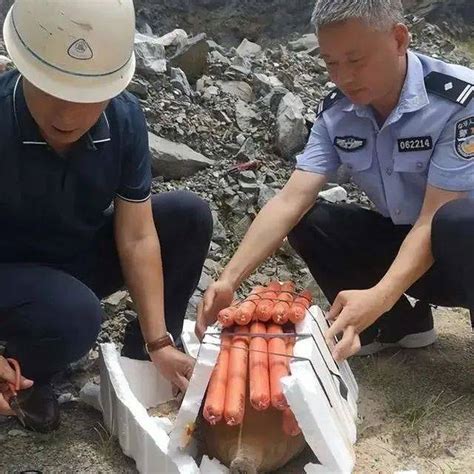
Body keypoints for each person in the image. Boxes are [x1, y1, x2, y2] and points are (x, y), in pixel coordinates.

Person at [198, 0, 473, 363]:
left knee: (455, 222)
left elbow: (431, 221)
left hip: (462, 250)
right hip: (414, 248)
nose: (344, 77)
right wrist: (229, 278)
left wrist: (379, 295)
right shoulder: (337, 113)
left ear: (399, 39)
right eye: (331, 63)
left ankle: (381, 308)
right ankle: (397, 326)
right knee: (310, 219)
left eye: (356, 61)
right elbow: (289, 199)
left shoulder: (457, 101)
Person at [0, 0, 212, 432]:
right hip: (8, 270)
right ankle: (25, 375)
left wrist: (159, 340)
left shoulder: (124, 120)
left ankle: (147, 362)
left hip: (73, 255)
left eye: (86, 97)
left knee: (188, 216)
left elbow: (136, 236)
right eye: (52, 90)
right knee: (77, 315)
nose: (67, 114)